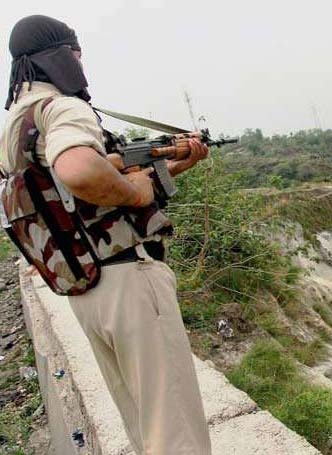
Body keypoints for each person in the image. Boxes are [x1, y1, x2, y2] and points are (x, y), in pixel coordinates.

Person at [1, 15, 212, 454]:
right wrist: (137, 197)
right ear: (59, 57)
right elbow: (78, 170)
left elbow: (71, 194)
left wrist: (171, 166)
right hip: (129, 281)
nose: (80, 63)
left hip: (85, 285)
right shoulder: (61, 108)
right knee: (177, 432)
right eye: (75, 54)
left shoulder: (15, 127)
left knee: (145, 425)